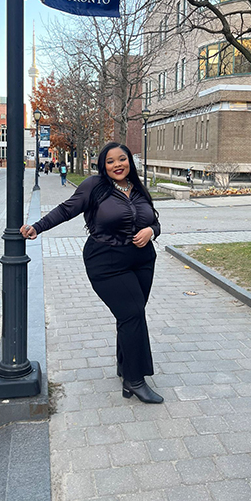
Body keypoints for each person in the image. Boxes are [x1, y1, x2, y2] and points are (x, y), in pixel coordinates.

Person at [21, 142, 163, 404]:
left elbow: (154, 220)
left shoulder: (138, 188)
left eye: (122, 159)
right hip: (107, 261)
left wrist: (151, 231)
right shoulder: (94, 187)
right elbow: (66, 210)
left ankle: (125, 368)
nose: (117, 165)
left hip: (143, 261)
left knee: (130, 316)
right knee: (132, 313)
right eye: (111, 161)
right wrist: (38, 227)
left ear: (129, 161)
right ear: (103, 165)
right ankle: (135, 380)